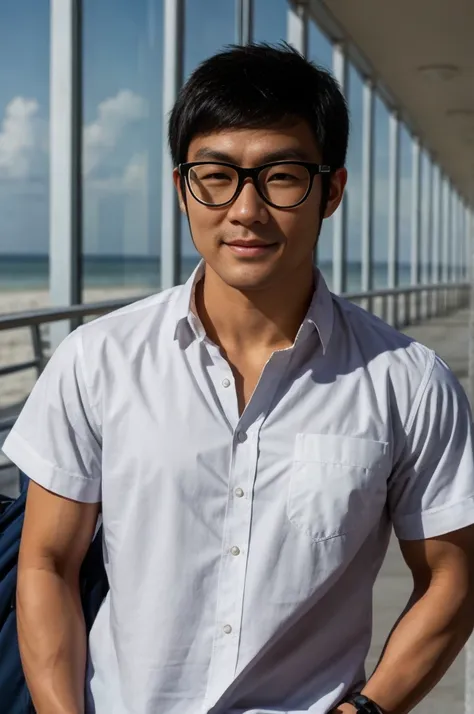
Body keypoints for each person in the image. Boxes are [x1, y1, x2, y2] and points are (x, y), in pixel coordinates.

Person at [3, 43, 474, 714]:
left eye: (281, 176)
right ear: (181, 188)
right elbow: (47, 562)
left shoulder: (408, 382)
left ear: (330, 191)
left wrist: (368, 710)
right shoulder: (96, 361)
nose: (245, 210)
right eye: (215, 176)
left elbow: (453, 577)